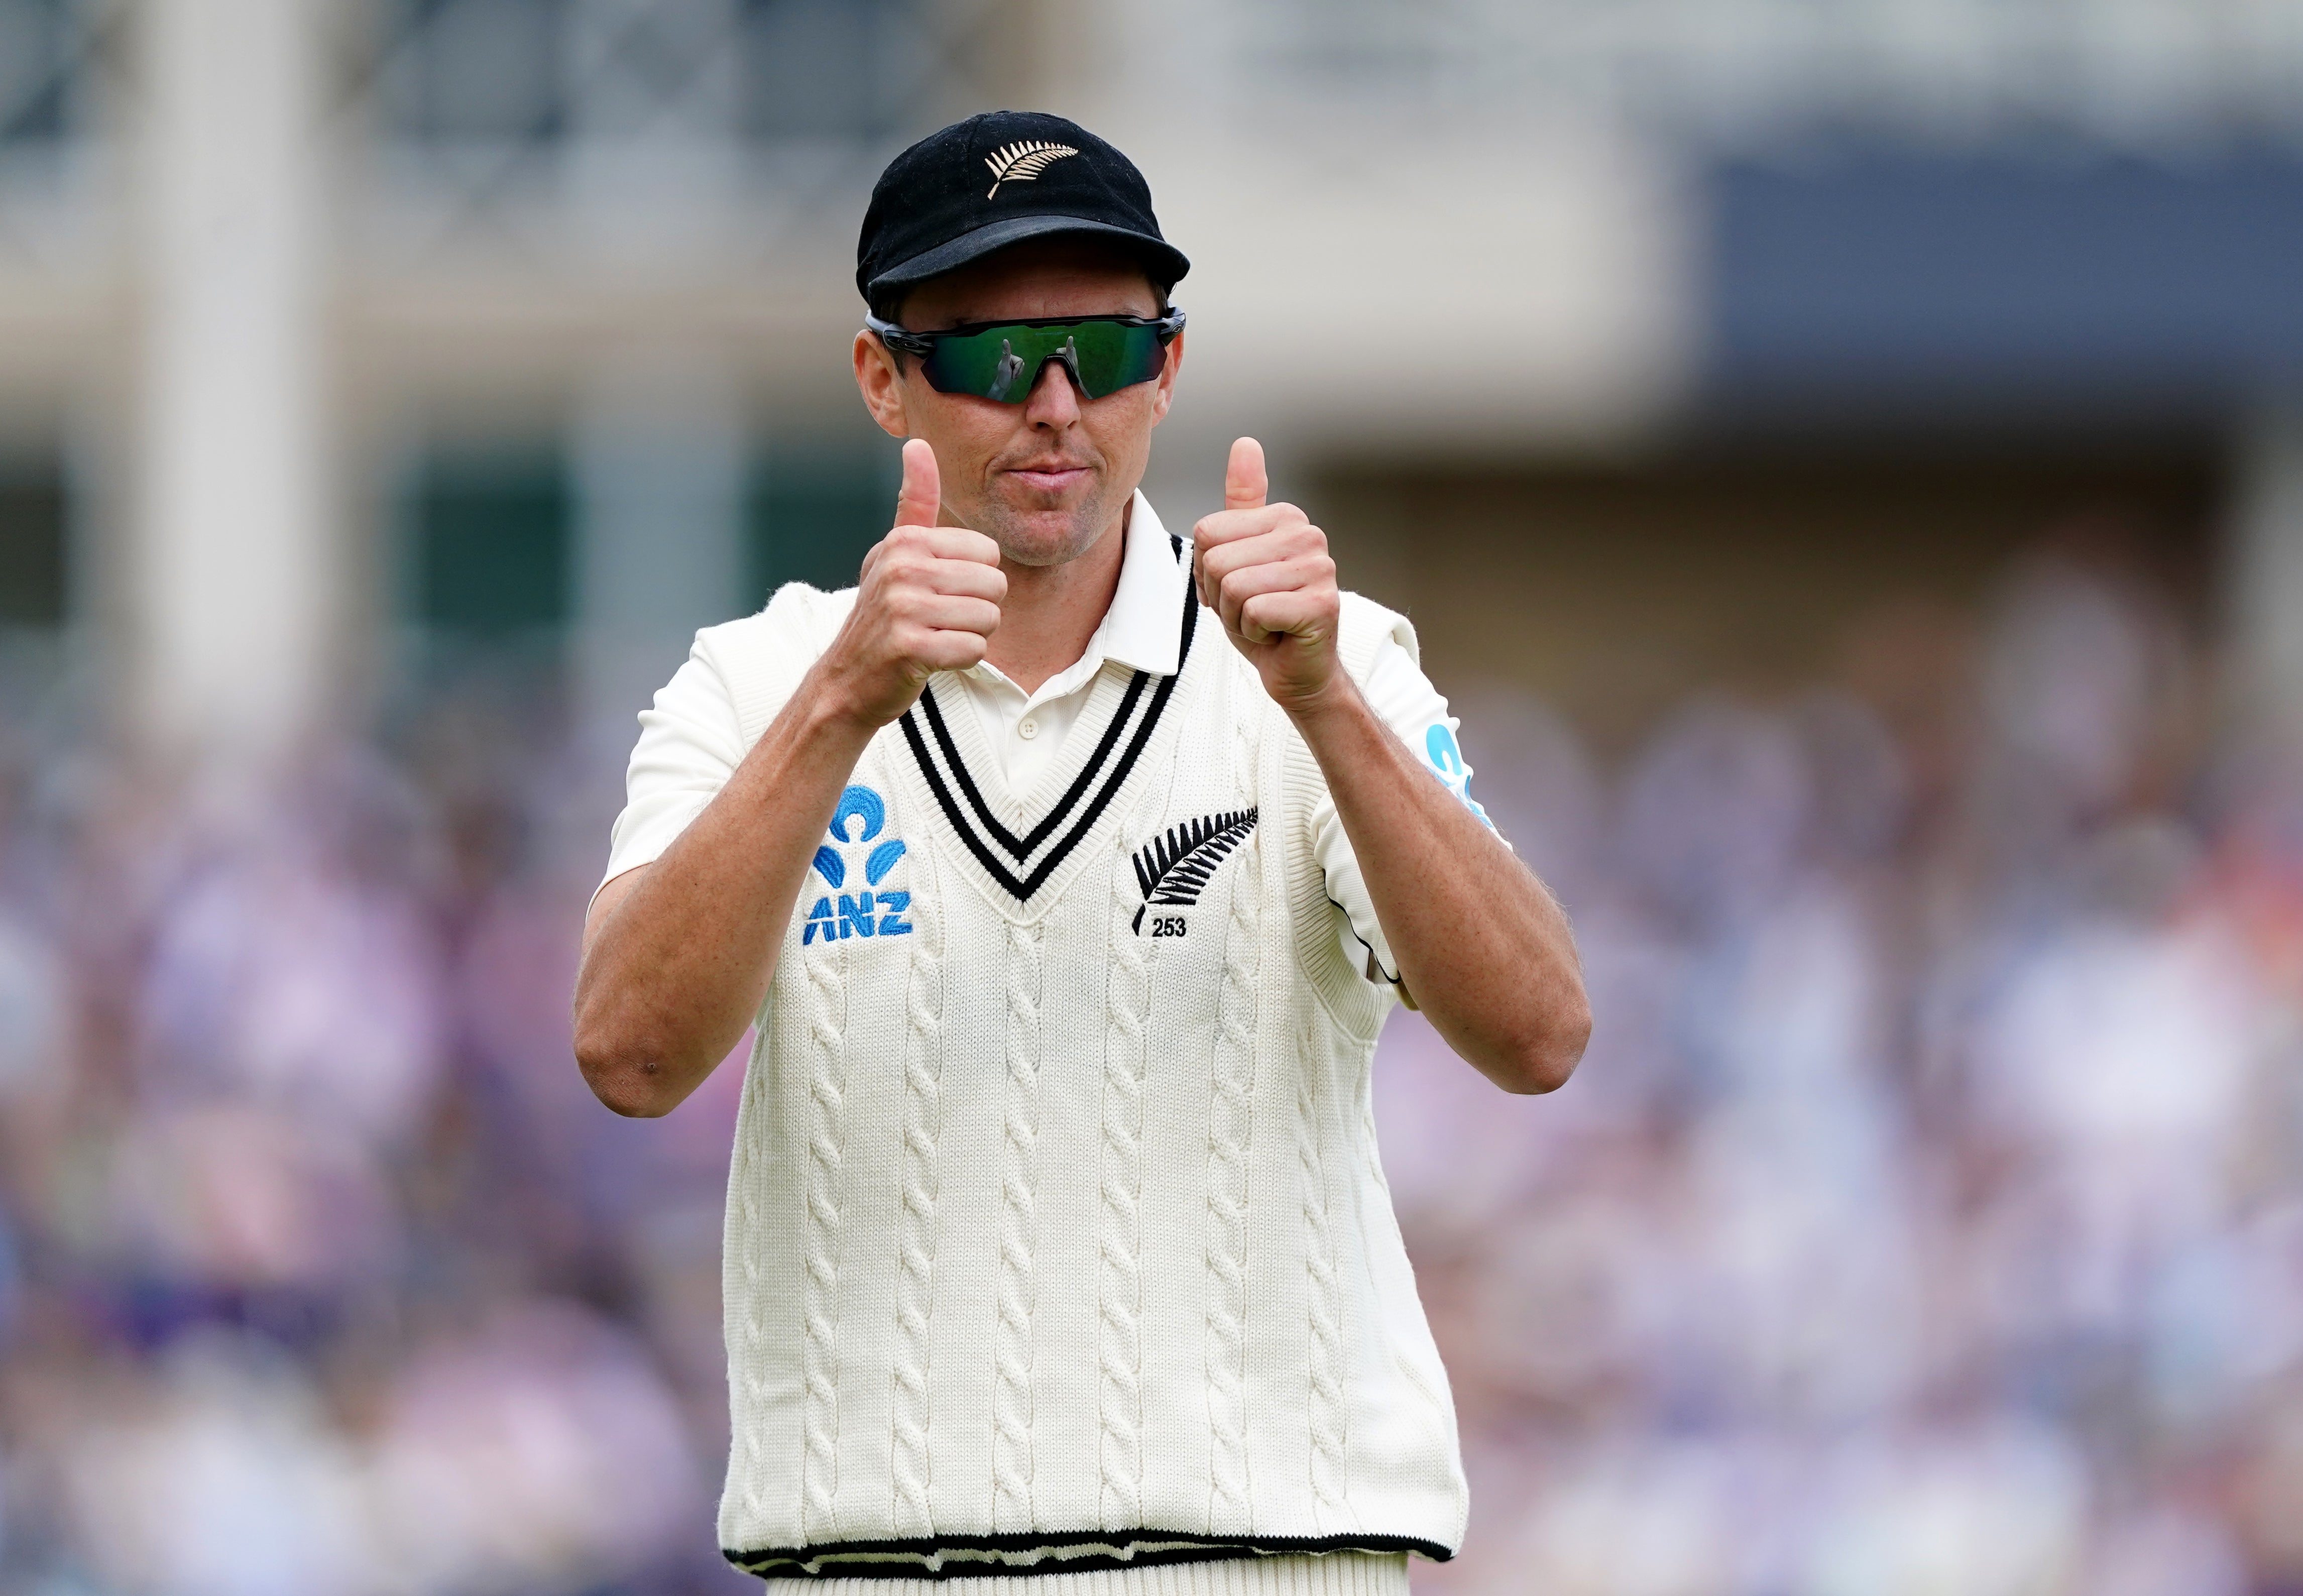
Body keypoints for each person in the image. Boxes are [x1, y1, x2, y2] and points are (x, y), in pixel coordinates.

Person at [573, 110, 1590, 1592]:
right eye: (992, 356)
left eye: (1104, 352)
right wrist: (843, 704)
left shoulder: (1326, 656)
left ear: (1166, 369)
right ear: (882, 377)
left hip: (1271, 1556)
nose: (1055, 406)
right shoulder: (757, 681)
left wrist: (1322, 706)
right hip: (875, 1560)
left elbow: (1540, 1031)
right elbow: (630, 1053)